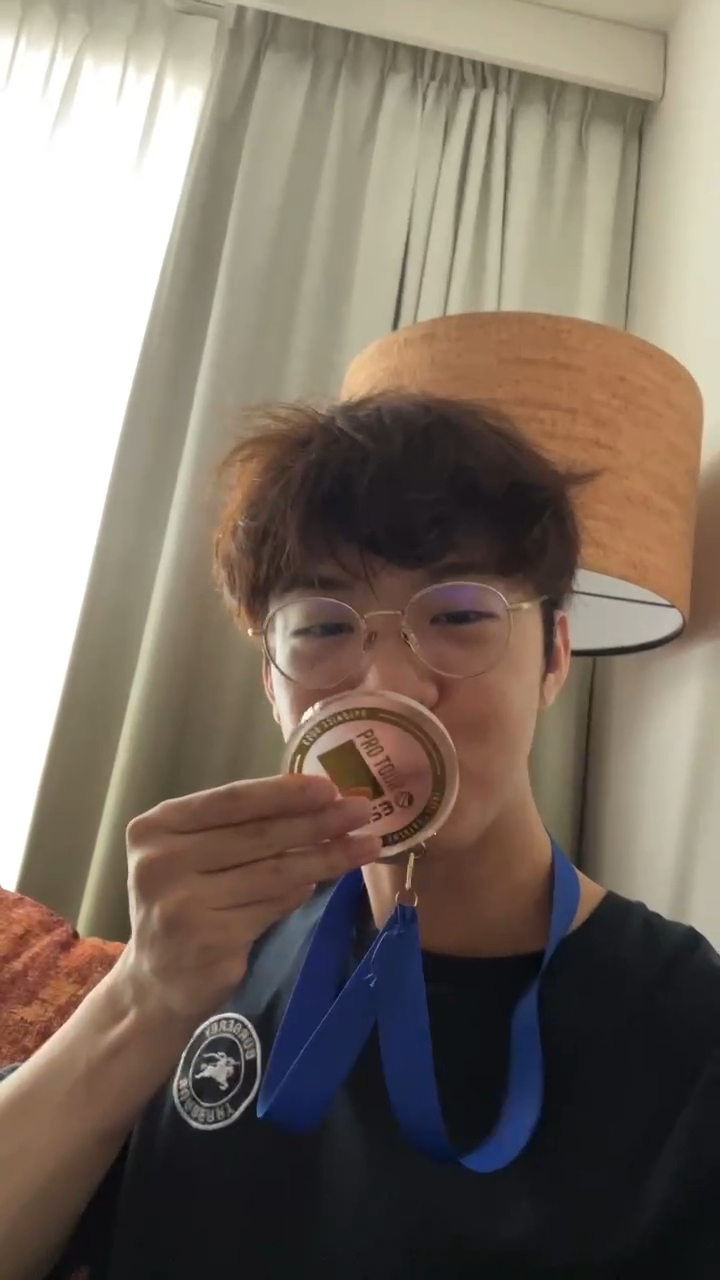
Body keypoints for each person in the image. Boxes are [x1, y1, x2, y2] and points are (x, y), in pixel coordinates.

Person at [2, 392, 720, 1280]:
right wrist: (141, 998)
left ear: (554, 656)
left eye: (458, 615)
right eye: (324, 627)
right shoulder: (210, 952)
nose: (388, 686)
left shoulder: (689, 1028)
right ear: (273, 686)